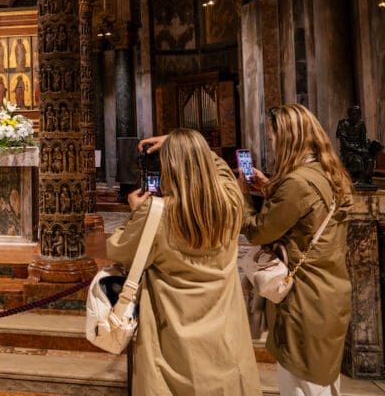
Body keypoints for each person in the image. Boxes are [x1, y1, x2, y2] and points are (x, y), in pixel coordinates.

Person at [107, 129, 261, 395]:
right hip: (222, 338)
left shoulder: (156, 214)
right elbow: (223, 171)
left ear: (170, 167)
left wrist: (135, 214)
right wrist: (191, 146)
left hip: (172, 341)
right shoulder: (231, 202)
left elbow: (118, 250)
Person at [241, 104, 352, 395]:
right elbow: (306, 215)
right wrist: (269, 189)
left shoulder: (296, 183)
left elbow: (257, 231)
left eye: (273, 136)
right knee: (324, 383)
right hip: (330, 292)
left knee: (300, 386)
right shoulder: (328, 172)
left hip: (304, 299)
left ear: (288, 138)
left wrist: (241, 196)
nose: (272, 143)